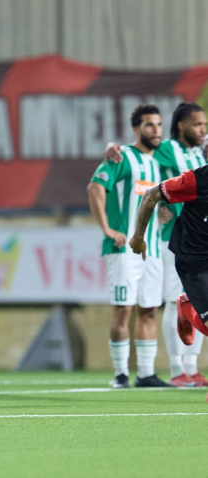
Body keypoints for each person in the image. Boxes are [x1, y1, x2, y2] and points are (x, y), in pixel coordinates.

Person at [103, 102, 208, 387]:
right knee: (177, 301)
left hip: (202, 237)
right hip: (175, 239)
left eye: (205, 125)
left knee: (198, 304)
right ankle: (177, 369)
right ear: (181, 126)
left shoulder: (200, 152)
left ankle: (192, 367)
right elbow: (139, 149)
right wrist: (114, 146)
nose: (202, 130)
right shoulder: (167, 149)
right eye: (197, 124)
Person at [89, 104, 170, 389]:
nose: (156, 130)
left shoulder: (160, 161)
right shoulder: (121, 156)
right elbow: (95, 188)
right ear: (136, 129)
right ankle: (121, 374)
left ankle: (146, 373)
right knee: (123, 309)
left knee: (149, 309)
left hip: (154, 250)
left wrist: (165, 213)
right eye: (149, 125)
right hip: (123, 248)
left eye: (159, 124)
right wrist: (108, 229)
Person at [129, 155, 208, 401]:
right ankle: (188, 307)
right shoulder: (196, 180)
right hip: (193, 258)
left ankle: (188, 307)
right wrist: (138, 237)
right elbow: (151, 194)